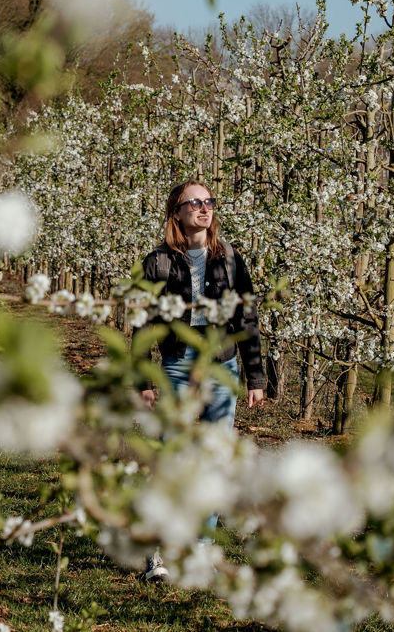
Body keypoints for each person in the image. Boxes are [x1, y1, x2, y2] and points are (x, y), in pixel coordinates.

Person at [139, 179, 266, 581]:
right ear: (176, 212)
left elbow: (246, 318)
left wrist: (255, 375)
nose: (203, 208)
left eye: (208, 201)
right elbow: (142, 322)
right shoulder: (157, 261)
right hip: (176, 362)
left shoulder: (229, 257)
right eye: (192, 203)